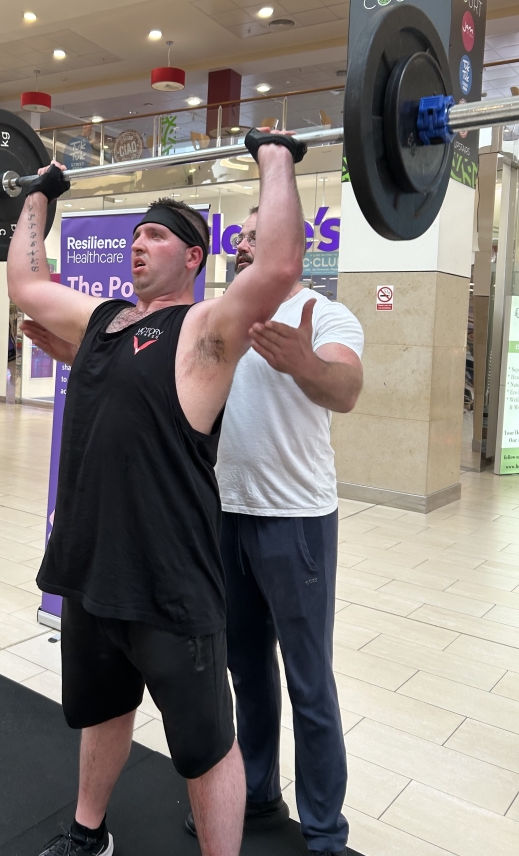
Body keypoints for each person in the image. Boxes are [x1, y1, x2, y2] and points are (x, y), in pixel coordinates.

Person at [7, 127, 308, 856]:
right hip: (91, 566)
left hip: (170, 579)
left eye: (155, 236)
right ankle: (88, 834)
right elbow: (25, 283)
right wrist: (39, 195)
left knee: (205, 745)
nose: (137, 245)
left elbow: (273, 266)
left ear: (194, 256)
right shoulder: (103, 319)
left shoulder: (206, 328)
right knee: (102, 710)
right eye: (134, 235)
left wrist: (275, 157)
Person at [204, 206, 364, 856]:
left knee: (309, 679)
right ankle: (260, 791)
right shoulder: (223, 318)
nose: (242, 246)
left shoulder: (324, 316)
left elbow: (346, 388)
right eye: (238, 238)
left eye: (254, 236)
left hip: (296, 522)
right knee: (246, 668)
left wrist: (304, 363)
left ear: (289, 248)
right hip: (227, 517)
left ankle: (325, 833)